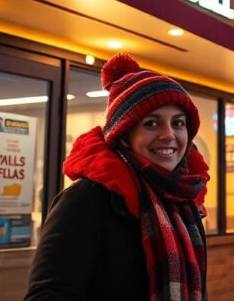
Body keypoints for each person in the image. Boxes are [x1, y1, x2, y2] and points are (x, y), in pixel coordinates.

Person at [26, 53, 209, 301]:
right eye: (151, 123)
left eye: (178, 123)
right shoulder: (85, 200)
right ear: (124, 135)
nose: (168, 135)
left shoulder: (185, 201)